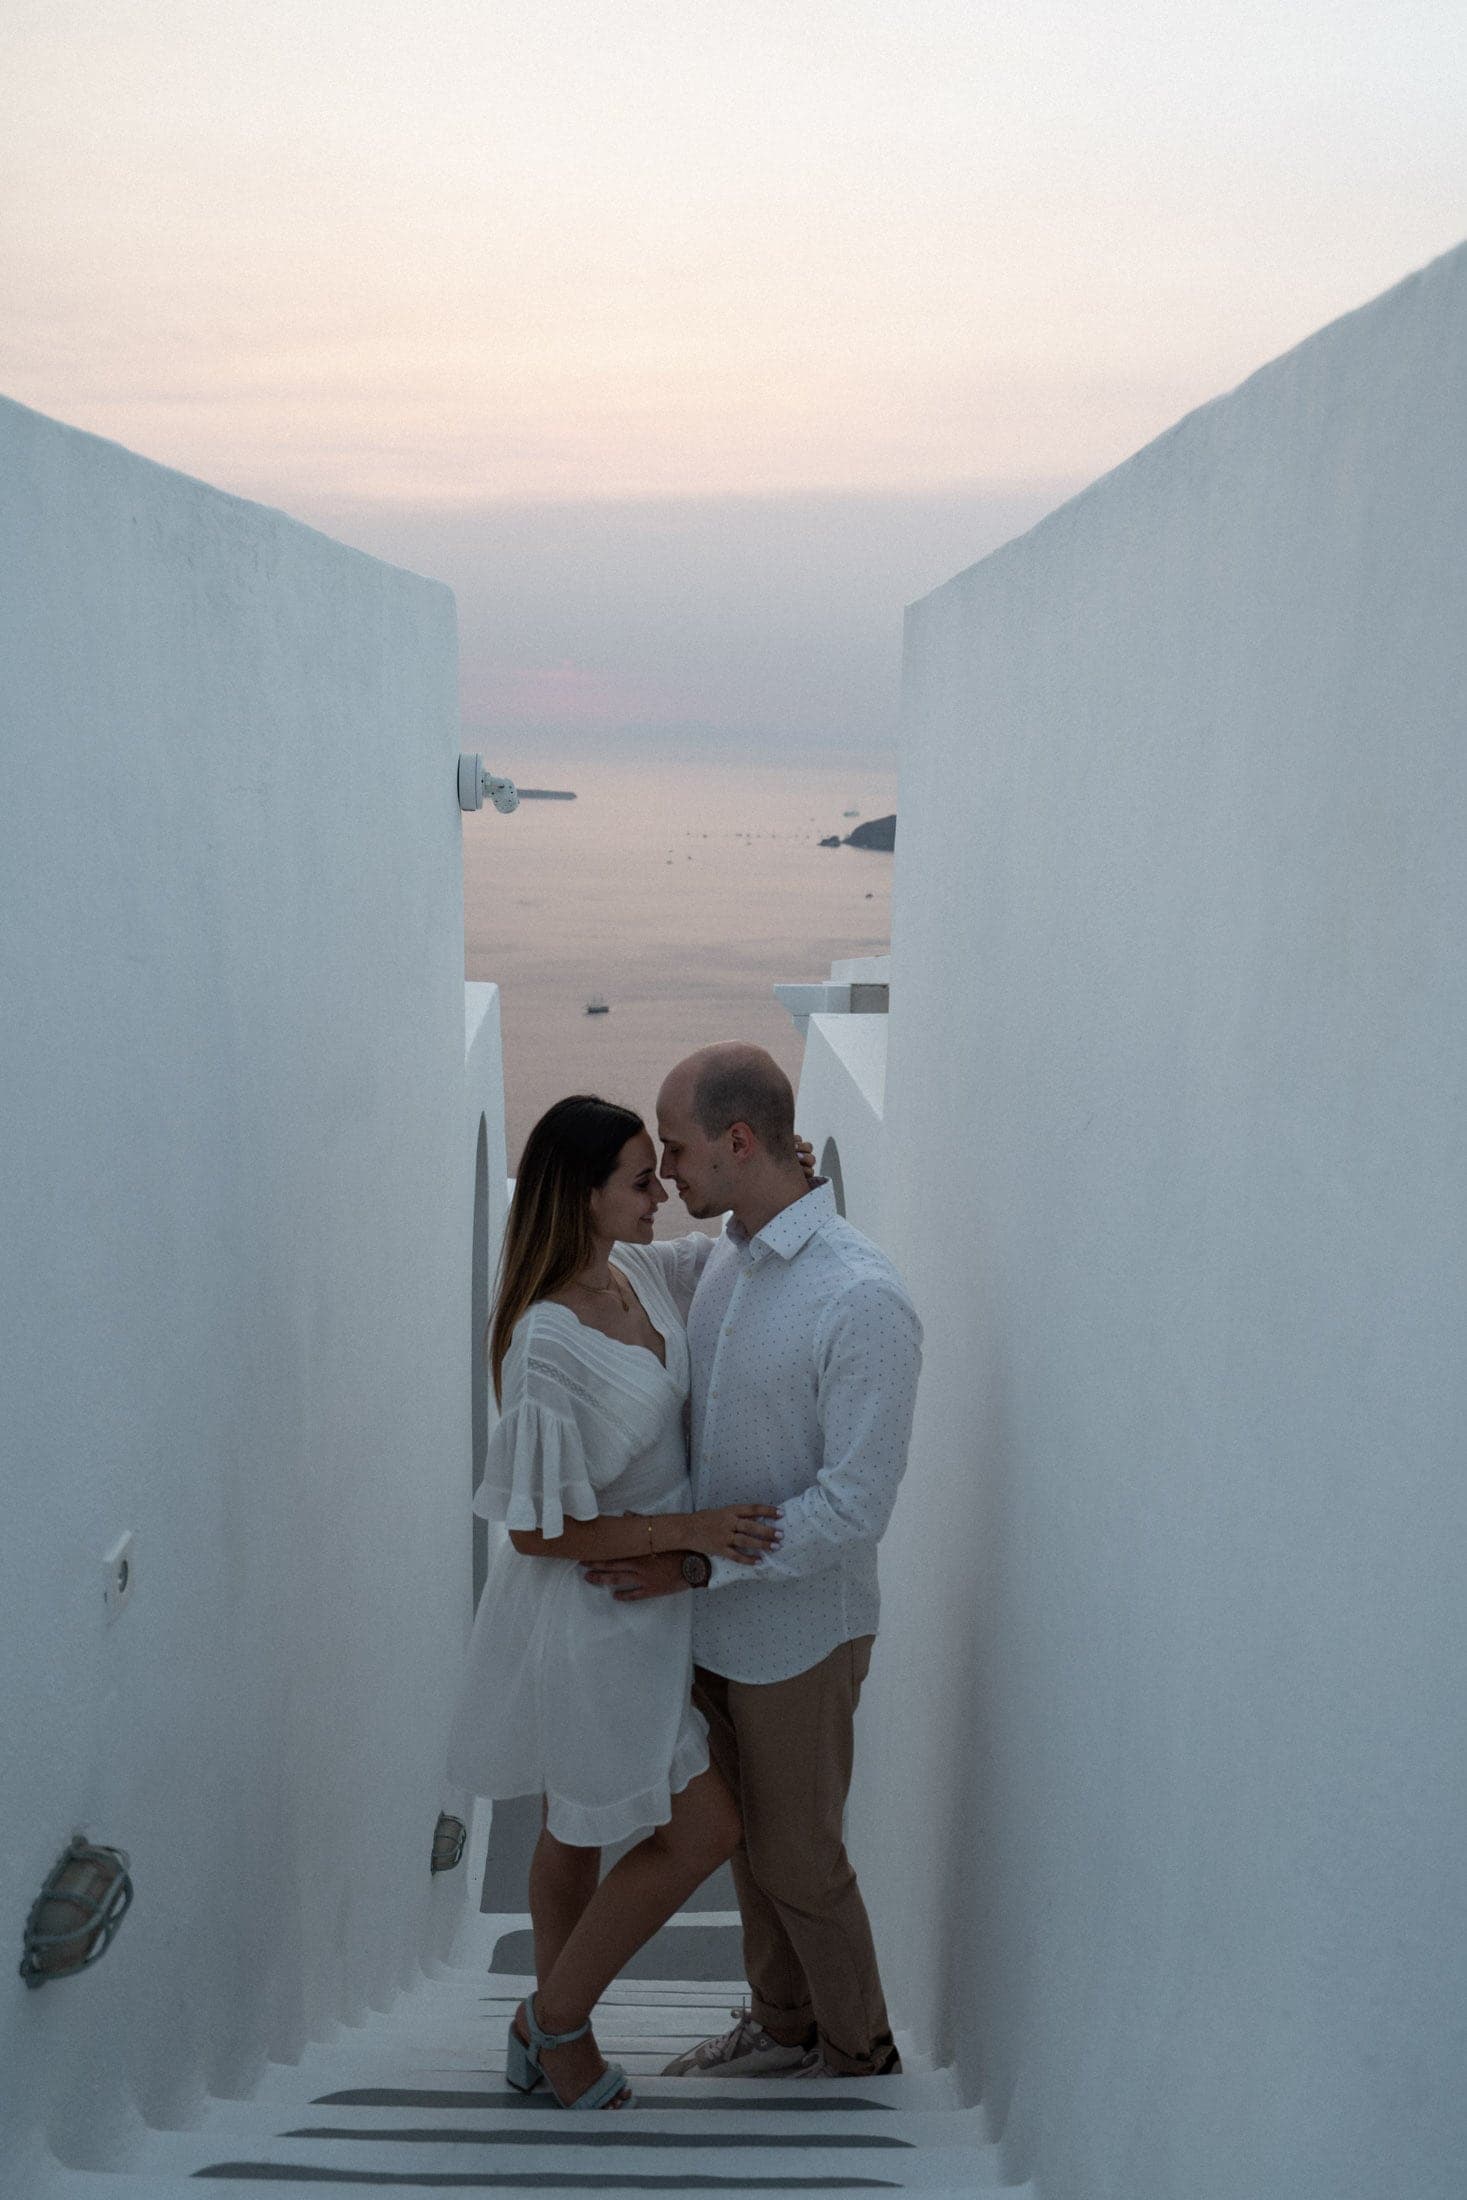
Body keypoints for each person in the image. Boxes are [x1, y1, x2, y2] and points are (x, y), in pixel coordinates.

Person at [582, 1043, 923, 2081]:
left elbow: (852, 1510)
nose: (667, 1173)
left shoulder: (862, 1299)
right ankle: (781, 2028)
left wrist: (696, 1568)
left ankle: (859, 2057)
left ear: (740, 1141)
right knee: (744, 1849)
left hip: (801, 1633)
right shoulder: (726, 1251)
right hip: (715, 1626)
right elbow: (641, 1268)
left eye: (676, 1150)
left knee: (799, 1861)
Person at [445, 1094, 784, 2111]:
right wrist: (689, 1531)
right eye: (640, 1179)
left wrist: (776, 1170)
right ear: (582, 1196)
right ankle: (555, 2024)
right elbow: (534, 1530)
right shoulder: (546, 1340)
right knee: (697, 1827)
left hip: (650, 1620)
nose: (661, 1193)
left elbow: (726, 1253)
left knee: (579, 1829)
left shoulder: (638, 1270)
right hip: (593, 1621)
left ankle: (548, 2026)